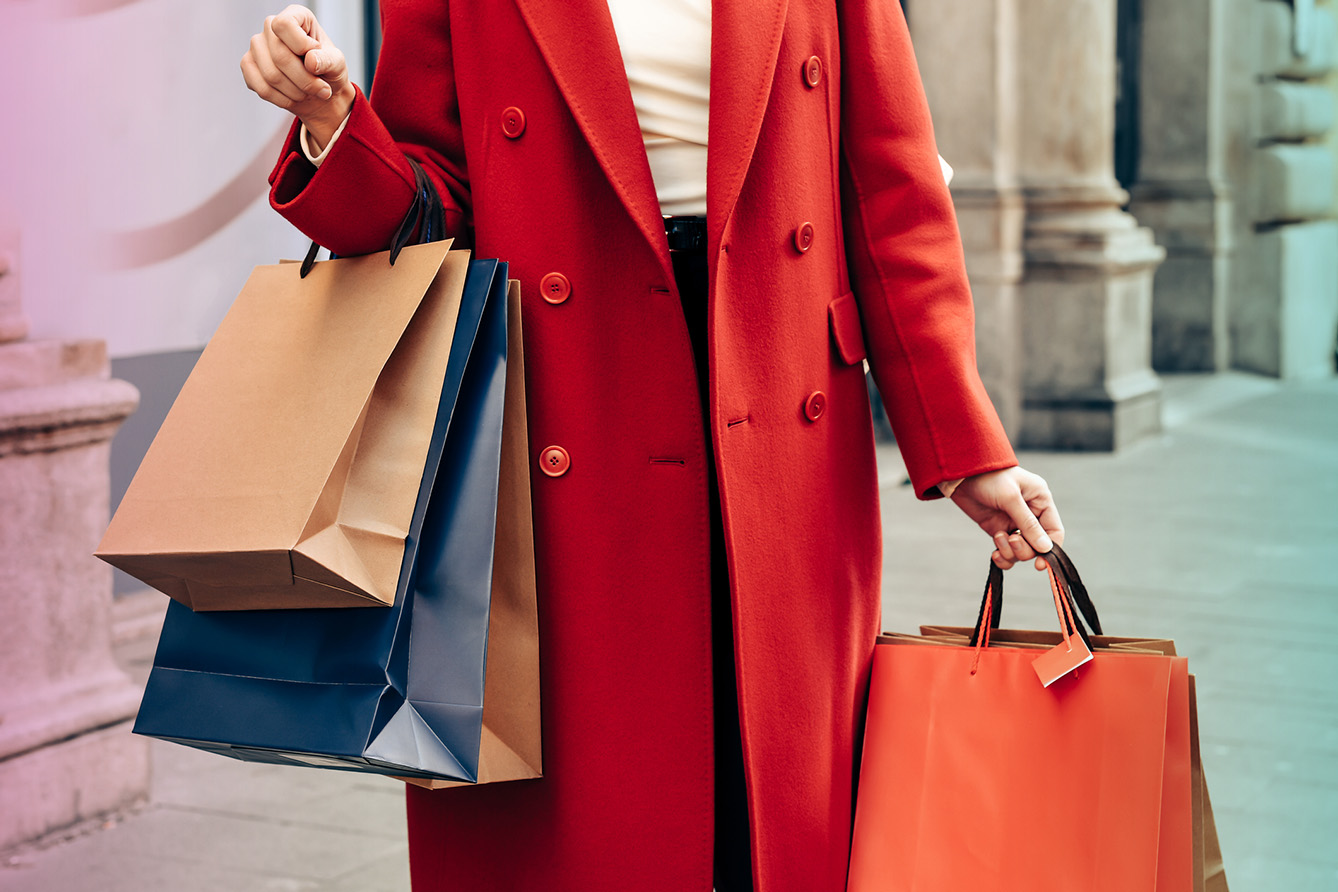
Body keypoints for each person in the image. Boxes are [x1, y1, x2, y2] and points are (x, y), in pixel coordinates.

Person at [242, 3, 1064, 890]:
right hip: (565, 403)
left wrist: (965, 443)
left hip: (775, 388)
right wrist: (332, 122)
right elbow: (430, 203)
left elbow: (892, 193)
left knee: (767, 798)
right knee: (594, 815)